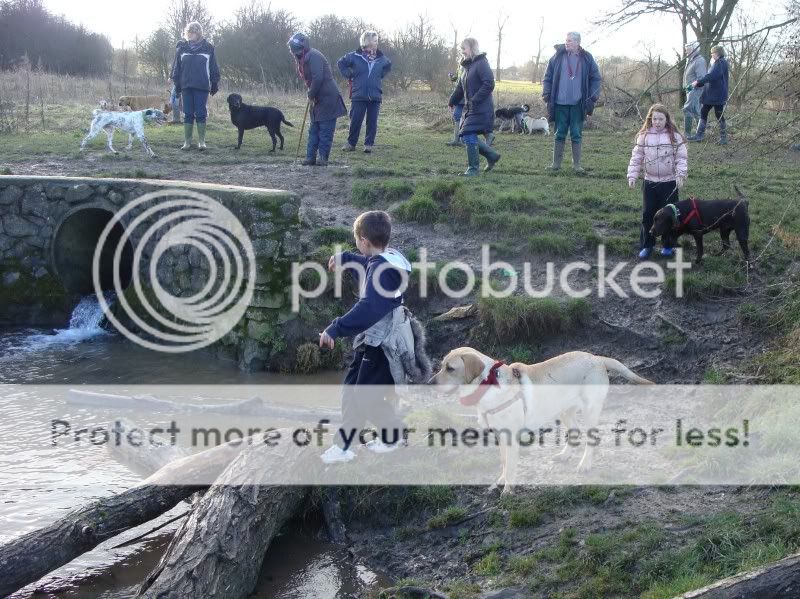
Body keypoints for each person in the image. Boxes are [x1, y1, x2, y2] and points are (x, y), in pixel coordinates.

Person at [318, 211, 418, 464]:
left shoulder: (381, 269)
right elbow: (367, 263)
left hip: (383, 344)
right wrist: (345, 258)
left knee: (365, 395)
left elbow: (369, 309)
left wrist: (335, 328)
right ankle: (344, 448)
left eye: (356, 243)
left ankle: (394, 436)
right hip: (375, 340)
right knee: (352, 390)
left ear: (363, 240)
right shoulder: (387, 258)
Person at [627, 104, 688, 259]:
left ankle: (668, 245)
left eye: (661, 119)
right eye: (654, 119)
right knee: (648, 215)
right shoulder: (644, 136)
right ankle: (647, 245)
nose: (657, 122)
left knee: (670, 216)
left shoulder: (674, 136)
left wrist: (680, 175)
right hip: (650, 182)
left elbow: (681, 158)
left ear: (666, 119)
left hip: (669, 183)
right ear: (650, 119)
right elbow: (637, 157)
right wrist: (632, 176)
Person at [542, 31, 602, 173]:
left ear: (577, 42)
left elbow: (596, 78)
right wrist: (546, 94)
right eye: (566, 40)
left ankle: (577, 166)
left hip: (578, 105)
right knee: (559, 133)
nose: (566, 43)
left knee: (576, 134)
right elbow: (547, 77)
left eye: (569, 40)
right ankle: (555, 164)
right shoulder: (557, 56)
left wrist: (593, 97)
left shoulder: (587, 58)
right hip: (559, 104)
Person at [288, 32, 348, 166]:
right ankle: (310, 158)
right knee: (314, 128)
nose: (294, 52)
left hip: (328, 97)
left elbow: (318, 78)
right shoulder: (301, 59)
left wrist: (311, 94)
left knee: (325, 130)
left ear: (303, 47)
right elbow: (309, 79)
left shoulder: (314, 56)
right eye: (292, 50)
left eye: (295, 49)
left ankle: (322, 158)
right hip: (316, 98)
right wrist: (311, 94)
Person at [447, 38, 501, 176]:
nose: (462, 51)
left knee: (467, 133)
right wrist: (451, 101)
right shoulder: (466, 67)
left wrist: (474, 100)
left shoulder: (481, 63)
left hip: (482, 108)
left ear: (472, 48)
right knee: (465, 134)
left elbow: (489, 83)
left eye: (464, 48)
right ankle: (491, 155)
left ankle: (473, 169)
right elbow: (460, 87)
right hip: (471, 108)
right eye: (461, 48)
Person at [337, 31, 392, 154]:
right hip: (358, 94)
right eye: (369, 43)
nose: (372, 46)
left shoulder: (382, 59)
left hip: (375, 95)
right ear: (364, 43)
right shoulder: (354, 56)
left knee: (372, 122)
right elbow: (341, 63)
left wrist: (380, 76)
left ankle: (368, 144)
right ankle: (351, 143)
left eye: (374, 43)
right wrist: (349, 74)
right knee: (355, 120)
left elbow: (388, 66)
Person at [171, 21, 220, 150]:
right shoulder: (182, 48)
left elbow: (213, 67)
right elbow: (177, 67)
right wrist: (177, 84)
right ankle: (187, 142)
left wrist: (214, 82)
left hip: (202, 86)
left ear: (199, 33)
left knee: (201, 113)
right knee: (188, 114)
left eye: (194, 32)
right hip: (186, 85)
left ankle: (202, 142)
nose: (191, 34)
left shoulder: (208, 48)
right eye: (189, 32)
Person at [689, 45, 729, 145]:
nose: (711, 55)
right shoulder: (716, 63)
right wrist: (699, 83)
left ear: (717, 53)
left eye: (713, 53)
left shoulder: (721, 63)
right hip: (710, 94)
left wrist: (698, 81)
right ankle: (699, 135)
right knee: (704, 111)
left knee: (719, 114)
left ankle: (724, 138)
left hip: (717, 95)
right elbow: (709, 77)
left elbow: (712, 76)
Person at [682, 41, 706, 136]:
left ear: (695, 49)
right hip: (690, 90)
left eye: (688, 50)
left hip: (695, 90)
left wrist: (692, 86)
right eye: (686, 50)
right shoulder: (690, 60)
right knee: (697, 111)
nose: (686, 52)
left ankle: (687, 134)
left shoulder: (699, 61)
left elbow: (701, 78)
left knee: (688, 109)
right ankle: (700, 133)